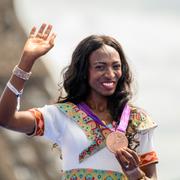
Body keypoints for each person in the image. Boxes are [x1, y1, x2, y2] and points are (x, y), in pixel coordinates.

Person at [0, 23, 158, 180]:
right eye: (100, 67)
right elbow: (6, 119)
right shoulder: (61, 114)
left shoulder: (137, 120)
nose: (110, 74)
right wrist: (27, 61)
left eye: (116, 66)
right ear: (83, 71)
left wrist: (134, 174)